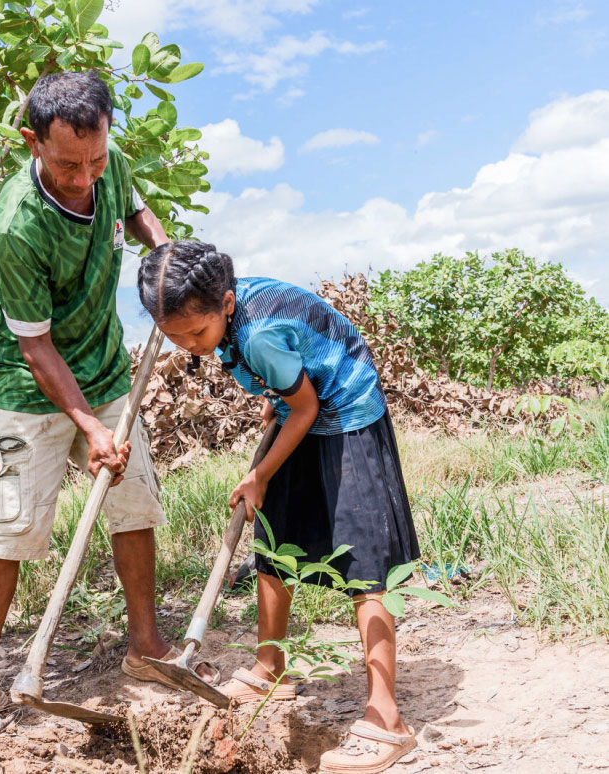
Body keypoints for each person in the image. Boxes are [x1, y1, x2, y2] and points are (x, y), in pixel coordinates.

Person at [0, 71, 195, 753]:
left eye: (96, 159)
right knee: (10, 527)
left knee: (133, 499)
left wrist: (165, 258)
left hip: (108, 369)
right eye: (66, 164)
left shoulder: (108, 163)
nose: (85, 177)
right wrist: (87, 427)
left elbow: (136, 209)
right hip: (32, 388)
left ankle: (145, 645)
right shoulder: (16, 226)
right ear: (32, 142)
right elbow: (34, 345)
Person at [137, 240, 420, 774]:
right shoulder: (231, 314)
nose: (191, 346)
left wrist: (258, 474)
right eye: (174, 337)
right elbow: (293, 378)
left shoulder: (259, 333)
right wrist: (278, 391)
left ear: (225, 302)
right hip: (303, 409)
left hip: (347, 414)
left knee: (364, 568)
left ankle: (387, 720)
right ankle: (271, 668)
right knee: (274, 541)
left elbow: (307, 403)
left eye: (197, 334)